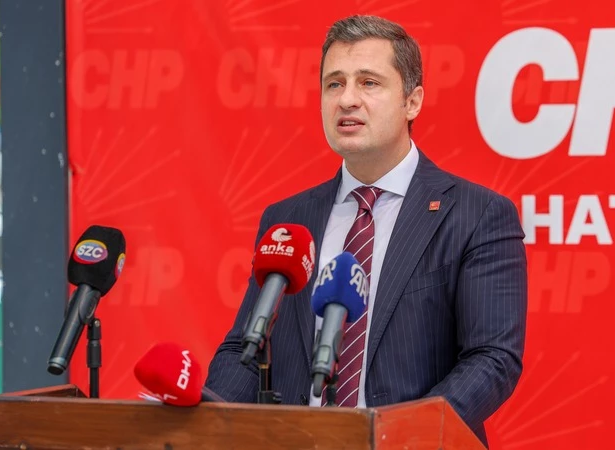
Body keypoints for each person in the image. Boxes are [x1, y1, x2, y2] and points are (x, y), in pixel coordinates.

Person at [205, 14, 527, 445]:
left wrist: (400, 436)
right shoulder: (288, 220)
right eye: (334, 84)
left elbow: (492, 358)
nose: (347, 99)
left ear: (412, 102)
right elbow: (246, 349)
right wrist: (206, 421)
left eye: (368, 83)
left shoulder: (476, 214)